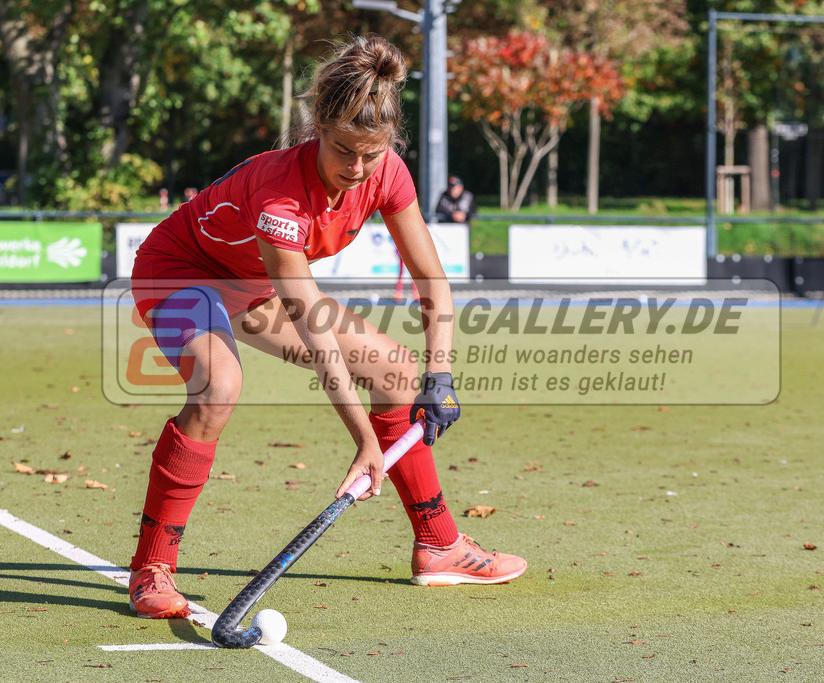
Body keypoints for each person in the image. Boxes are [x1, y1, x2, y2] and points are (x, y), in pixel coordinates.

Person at [127, 35, 526, 619]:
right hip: (179, 271)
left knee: (396, 367)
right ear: (318, 128)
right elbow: (311, 323)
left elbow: (432, 279)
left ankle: (440, 544)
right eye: (343, 151)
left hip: (249, 283)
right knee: (219, 387)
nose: (357, 169)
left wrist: (439, 375)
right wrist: (365, 440)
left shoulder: (384, 172)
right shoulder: (279, 196)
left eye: (371, 153)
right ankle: (151, 568)